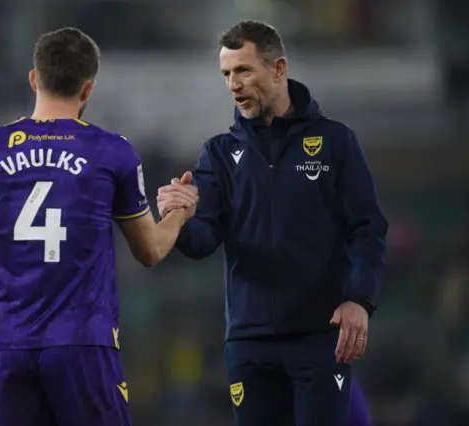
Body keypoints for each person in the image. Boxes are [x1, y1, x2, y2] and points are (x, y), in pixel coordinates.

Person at [0, 27, 196, 426]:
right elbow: (150, 250)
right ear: (87, 89)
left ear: (34, 79)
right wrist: (180, 210)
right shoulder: (111, 152)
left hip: (10, 349)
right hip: (84, 347)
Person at [157, 20, 388, 426]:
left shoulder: (335, 142)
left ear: (278, 68)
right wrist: (178, 218)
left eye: (243, 71)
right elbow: (202, 240)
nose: (233, 84)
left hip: (319, 337)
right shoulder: (218, 154)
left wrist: (359, 299)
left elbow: (367, 229)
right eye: (227, 74)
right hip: (249, 344)